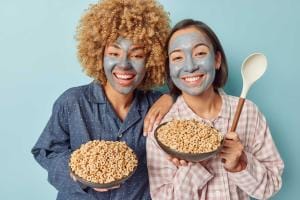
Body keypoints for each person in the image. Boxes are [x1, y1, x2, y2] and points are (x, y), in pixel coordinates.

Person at [31, 0, 172, 199]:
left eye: (137, 55)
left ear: (151, 60)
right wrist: (74, 171)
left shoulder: (158, 105)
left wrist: (173, 96)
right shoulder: (72, 102)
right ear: (98, 55)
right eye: (114, 53)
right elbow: (46, 150)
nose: (124, 65)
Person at [147, 19, 284, 200]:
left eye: (200, 53)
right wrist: (196, 165)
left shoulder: (248, 113)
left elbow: (270, 186)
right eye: (177, 57)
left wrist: (240, 164)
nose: (190, 66)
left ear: (217, 60)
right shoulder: (161, 129)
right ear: (169, 68)